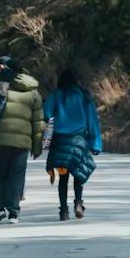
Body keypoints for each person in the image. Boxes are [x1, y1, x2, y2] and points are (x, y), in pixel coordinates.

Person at [0, 62, 44, 224]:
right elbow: (38, 122)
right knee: (17, 175)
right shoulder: (33, 92)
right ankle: (13, 212)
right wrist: (37, 145)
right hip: (23, 143)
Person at [43, 69, 103, 221]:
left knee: (63, 178)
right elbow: (92, 120)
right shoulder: (84, 96)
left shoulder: (56, 95)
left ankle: (63, 210)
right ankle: (78, 202)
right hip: (79, 141)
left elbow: (46, 114)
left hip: (60, 142)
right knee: (78, 173)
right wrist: (95, 143)